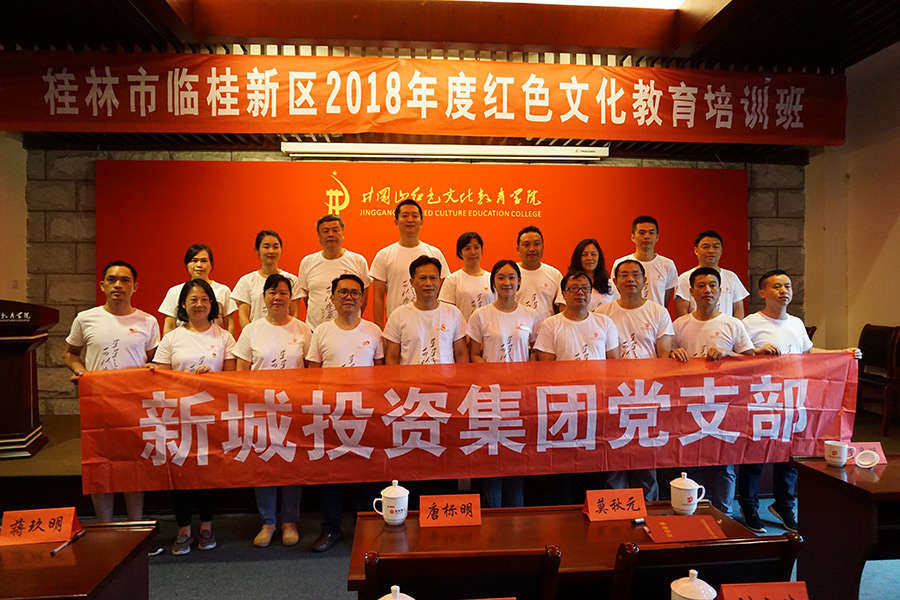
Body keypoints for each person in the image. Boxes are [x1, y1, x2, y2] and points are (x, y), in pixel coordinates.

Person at [738, 269, 862, 534]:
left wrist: (842, 353)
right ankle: (749, 507)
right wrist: (757, 352)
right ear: (762, 293)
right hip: (762, 399)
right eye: (776, 287)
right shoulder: (749, 323)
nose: (783, 291)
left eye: (787, 286)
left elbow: (808, 352)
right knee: (754, 456)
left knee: (790, 454)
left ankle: (784, 505)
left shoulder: (795, 323)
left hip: (794, 397)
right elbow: (738, 357)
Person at [63, 260, 159, 523]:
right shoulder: (86, 319)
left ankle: (136, 525)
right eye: (112, 280)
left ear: (135, 287)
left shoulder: (148, 321)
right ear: (102, 285)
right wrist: (79, 369)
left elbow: (155, 359)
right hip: (98, 403)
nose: (118, 285)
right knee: (100, 464)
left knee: (133, 465)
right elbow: (70, 353)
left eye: (125, 280)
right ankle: (105, 527)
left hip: (134, 405)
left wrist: (153, 368)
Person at [152, 279, 236, 555]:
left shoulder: (224, 337)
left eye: (204, 299)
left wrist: (212, 379)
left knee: (208, 472)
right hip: (179, 416)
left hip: (212, 416)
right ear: (183, 305)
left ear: (212, 304)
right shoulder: (171, 338)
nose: (199, 304)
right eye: (193, 300)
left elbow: (233, 379)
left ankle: (207, 527)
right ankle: (183, 530)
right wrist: (186, 379)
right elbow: (161, 379)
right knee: (181, 473)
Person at [306, 273, 385, 552]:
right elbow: (312, 374)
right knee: (331, 474)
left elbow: (381, 374)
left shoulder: (373, 331)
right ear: (332, 298)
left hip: (365, 413)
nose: (349, 297)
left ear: (362, 299)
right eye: (343, 292)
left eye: (355, 292)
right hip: (331, 413)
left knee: (367, 472)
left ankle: (366, 527)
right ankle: (331, 528)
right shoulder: (321, 331)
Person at [670, 267, 755, 517]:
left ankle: (723, 517)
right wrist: (673, 354)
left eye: (712, 286)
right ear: (692, 292)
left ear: (720, 291)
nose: (707, 290)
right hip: (689, 403)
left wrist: (729, 354)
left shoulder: (733, 324)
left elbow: (751, 362)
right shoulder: (679, 325)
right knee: (689, 461)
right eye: (701, 286)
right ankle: (690, 513)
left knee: (723, 462)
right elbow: (664, 359)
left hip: (724, 404)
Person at [234, 274, 311, 548]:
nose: (278, 297)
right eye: (272, 292)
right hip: (260, 409)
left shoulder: (303, 329)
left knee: (292, 464)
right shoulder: (251, 330)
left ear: (291, 298)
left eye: (283, 293)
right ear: (263, 297)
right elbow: (241, 374)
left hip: (294, 409)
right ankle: (267, 521)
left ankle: (289, 521)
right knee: (264, 465)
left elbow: (311, 371)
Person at [596, 259, 675, 500]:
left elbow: (663, 354)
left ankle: (648, 510)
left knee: (646, 456)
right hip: (613, 393)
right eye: (624, 275)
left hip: (646, 393)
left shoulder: (658, 312)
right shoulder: (602, 314)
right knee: (614, 454)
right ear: (615, 281)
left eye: (635, 275)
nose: (630, 279)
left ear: (644, 280)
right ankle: (617, 508)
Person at [467, 260, 542, 507]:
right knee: (492, 454)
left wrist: (524, 375)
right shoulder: (480, 315)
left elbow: (536, 352)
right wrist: (493, 374)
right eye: (500, 277)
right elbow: (473, 354)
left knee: (516, 453)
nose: (506, 282)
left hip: (520, 395)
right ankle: (493, 513)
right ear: (493, 283)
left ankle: (516, 514)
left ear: (519, 282)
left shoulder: (531, 315)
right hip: (491, 395)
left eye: (511, 277)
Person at [370, 199, 450, 330]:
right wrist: (379, 330)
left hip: (430, 325)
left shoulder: (434, 253)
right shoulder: (384, 255)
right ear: (396, 221)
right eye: (405, 216)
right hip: (397, 326)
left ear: (421, 221)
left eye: (415, 216)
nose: (410, 220)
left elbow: (443, 294)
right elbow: (378, 297)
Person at [384, 255, 468, 366]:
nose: (428, 283)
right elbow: (392, 357)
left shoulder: (453, 313)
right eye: (422, 278)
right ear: (412, 282)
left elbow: (461, 354)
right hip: (411, 377)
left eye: (433, 278)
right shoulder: (398, 315)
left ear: (439, 281)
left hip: (445, 377)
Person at [297, 214, 370, 331]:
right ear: (319, 236)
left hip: (350, 330)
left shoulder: (358, 261)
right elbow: (307, 298)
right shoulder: (307, 262)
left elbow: (363, 300)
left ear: (343, 234)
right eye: (325, 231)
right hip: (315, 330)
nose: (331, 234)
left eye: (335, 230)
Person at [534, 270, 619, 362]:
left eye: (585, 288)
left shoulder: (605, 322)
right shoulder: (550, 324)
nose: (580, 292)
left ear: (590, 293)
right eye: (574, 288)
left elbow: (613, 362)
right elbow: (547, 365)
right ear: (563, 294)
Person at [158, 243, 237, 336]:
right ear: (187, 264)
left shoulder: (223, 290)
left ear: (211, 264)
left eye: (204, 261)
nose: (199, 265)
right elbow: (169, 326)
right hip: (183, 340)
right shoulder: (174, 291)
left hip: (214, 340)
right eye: (194, 261)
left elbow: (229, 325)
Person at [232, 230, 301, 329]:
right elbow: (243, 316)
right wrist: (251, 335)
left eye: (276, 247)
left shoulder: (291, 280)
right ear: (257, 250)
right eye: (266, 247)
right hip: (256, 335)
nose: (271, 251)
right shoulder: (247, 280)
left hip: (284, 333)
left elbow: (294, 314)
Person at [675, 230, 749, 318]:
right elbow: (682, 313)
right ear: (696, 250)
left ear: (721, 250)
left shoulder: (731, 277)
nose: (711, 251)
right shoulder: (685, 278)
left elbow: (738, 310)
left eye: (716, 247)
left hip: (726, 326)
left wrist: (734, 326)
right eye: (705, 247)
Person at [612, 216, 678, 308]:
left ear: (657, 237)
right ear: (633, 237)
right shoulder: (620, 264)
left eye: (651, 233)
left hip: (655, 315)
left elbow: (665, 300)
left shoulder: (667, 265)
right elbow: (617, 295)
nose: (647, 237)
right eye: (642, 233)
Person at [439, 231, 495, 323]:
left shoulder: (492, 279)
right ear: (460, 253)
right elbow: (445, 312)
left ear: (481, 250)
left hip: (488, 330)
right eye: (467, 249)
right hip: (462, 330)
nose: (473, 252)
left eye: (476, 247)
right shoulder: (452, 279)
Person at [514, 225, 563, 322]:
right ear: (518, 249)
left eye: (536, 244)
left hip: (546, 329)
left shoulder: (554, 274)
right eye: (526, 245)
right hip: (515, 328)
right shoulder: (509, 273)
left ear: (543, 247)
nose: (532, 249)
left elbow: (563, 310)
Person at [556, 238, 614, 311]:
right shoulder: (568, 283)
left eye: (593, 254)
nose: (589, 258)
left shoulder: (609, 284)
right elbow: (563, 313)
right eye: (584, 255)